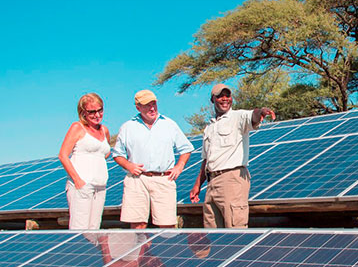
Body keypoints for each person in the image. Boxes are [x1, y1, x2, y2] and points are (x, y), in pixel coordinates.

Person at [189, 83, 274, 228]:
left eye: (227, 96)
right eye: (220, 96)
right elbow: (206, 159)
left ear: (231, 99)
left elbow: (252, 116)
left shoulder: (238, 117)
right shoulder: (209, 127)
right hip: (211, 182)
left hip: (232, 180)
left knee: (236, 230)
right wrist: (197, 185)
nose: (224, 99)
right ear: (213, 99)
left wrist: (261, 112)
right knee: (212, 232)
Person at [113, 89, 193, 229]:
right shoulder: (128, 127)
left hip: (163, 178)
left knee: (167, 225)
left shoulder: (169, 124)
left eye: (154, 104)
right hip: (137, 180)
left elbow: (186, 149)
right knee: (138, 224)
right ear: (138, 107)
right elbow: (117, 154)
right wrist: (129, 166)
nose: (152, 108)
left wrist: (179, 167)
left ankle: (164, 251)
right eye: (147, 105)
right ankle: (140, 251)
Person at [58, 92, 111, 230]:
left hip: (100, 186)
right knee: (79, 228)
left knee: (94, 228)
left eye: (100, 110)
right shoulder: (77, 127)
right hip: (82, 186)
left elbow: (105, 152)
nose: (97, 115)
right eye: (92, 112)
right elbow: (63, 155)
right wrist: (78, 181)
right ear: (83, 113)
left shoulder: (104, 130)